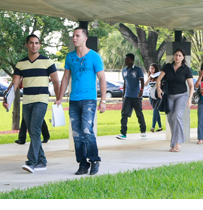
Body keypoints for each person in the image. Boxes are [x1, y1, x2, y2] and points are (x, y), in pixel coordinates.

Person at [56, 27, 107, 175]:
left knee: (86, 130)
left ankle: (95, 160)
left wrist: (103, 100)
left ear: (85, 38)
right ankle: (82, 164)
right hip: (74, 100)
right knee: (76, 134)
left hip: (89, 100)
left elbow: (102, 78)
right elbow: (66, 78)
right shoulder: (70, 57)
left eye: (77, 36)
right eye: (73, 36)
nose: (74, 38)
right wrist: (60, 97)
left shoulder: (94, 57)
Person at [11, 34, 60, 173]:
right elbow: (15, 83)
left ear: (40, 45)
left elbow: (56, 81)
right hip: (26, 101)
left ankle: (31, 162)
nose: (34, 45)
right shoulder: (21, 63)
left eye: (36, 43)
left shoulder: (47, 62)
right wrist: (6, 98)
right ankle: (42, 161)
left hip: (41, 100)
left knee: (35, 129)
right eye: (31, 43)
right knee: (33, 131)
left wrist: (59, 98)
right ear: (27, 45)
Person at [156, 48, 193, 152]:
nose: (177, 57)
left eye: (180, 55)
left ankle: (178, 143)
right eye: (176, 55)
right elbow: (158, 79)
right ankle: (174, 143)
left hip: (182, 95)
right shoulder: (168, 67)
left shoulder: (186, 69)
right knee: (171, 119)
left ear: (183, 57)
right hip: (169, 96)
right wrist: (159, 90)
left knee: (177, 116)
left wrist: (190, 98)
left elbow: (191, 85)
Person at [116, 53, 146, 140]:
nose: (125, 61)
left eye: (127, 59)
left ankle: (143, 131)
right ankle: (123, 133)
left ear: (132, 60)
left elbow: (142, 80)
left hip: (136, 96)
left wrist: (141, 91)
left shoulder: (138, 70)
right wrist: (123, 94)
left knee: (139, 114)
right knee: (124, 114)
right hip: (127, 96)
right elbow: (125, 82)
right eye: (125, 59)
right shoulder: (124, 71)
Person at [148, 63, 162, 133]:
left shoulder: (159, 75)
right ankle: (160, 127)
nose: (151, 70)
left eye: (152, 68)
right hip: (151, 95)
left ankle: (153, 126)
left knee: (155, 110)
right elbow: (145, 84)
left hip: (158, 94)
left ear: (156, 69)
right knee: (156, 110)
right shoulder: (150, 76)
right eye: (150, 68)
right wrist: (149, 77)